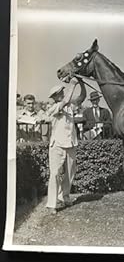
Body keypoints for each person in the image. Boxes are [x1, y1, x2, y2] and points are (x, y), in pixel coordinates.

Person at [46, 77, 86, 215]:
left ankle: (64, 197)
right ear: (54, 96)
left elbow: (82, 97)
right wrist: (72, 84)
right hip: (57, 145)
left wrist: (81, 82)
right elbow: (65, 101)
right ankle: (52, 204)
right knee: (55, 174)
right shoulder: (53, 107)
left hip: (71, 144)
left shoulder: (70, 106)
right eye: (60, 92)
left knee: (70, 173)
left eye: (63, 91)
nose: (62, 93)